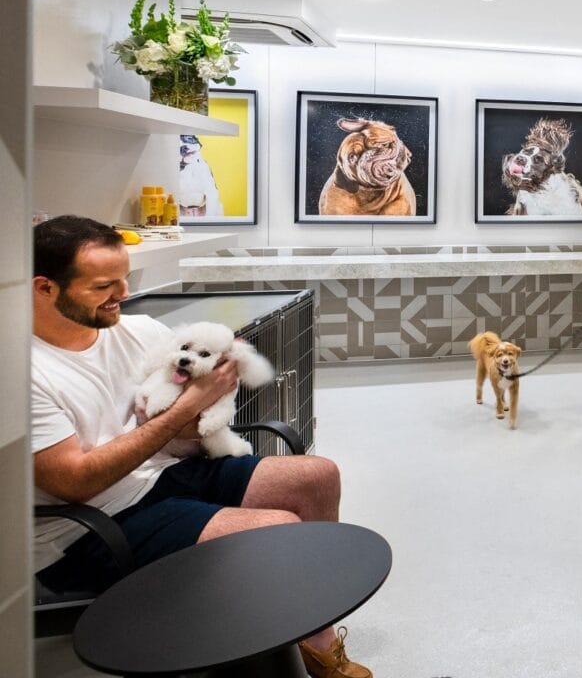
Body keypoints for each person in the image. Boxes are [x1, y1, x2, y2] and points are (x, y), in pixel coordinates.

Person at [30, 216, 371, 678]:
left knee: (315, 474)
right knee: (274, 531)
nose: (123, 294)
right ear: (44, 287)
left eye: (124, 278)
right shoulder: (27, 369)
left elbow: (185, 422)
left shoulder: (139, 332)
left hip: (159, 475)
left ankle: (316, 642)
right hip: (87, 528)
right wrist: (189, 405)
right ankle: (264, 655)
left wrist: (208, 402)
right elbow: (74, 482)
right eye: (103, 286)